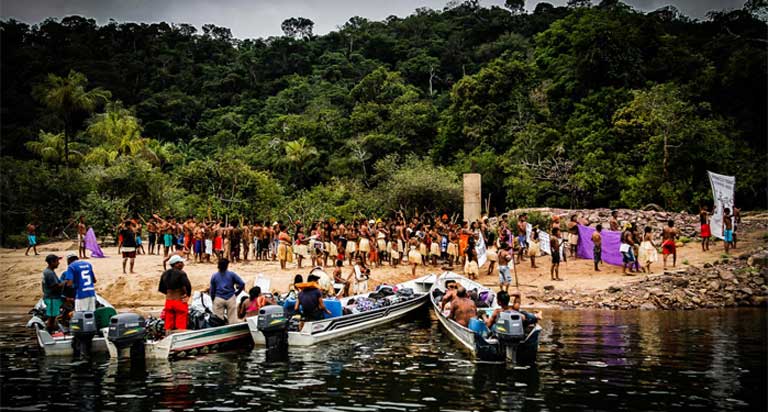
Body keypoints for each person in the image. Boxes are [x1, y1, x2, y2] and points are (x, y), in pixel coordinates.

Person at [158, 255, 192, 332]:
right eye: (181, 262)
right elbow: (188, 285)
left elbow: (161, 288)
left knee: (168, 324)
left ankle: (167, 338)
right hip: (179, 301)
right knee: (181, 324)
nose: (183, 264)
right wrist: (188, 296)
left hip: (169, 302)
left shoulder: (165, 273)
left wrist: (170, 294)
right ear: (176, 264)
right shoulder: (181, 273)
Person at [209, 259, 245, 325]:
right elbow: (242, 284)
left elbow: (212, 290)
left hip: (219, 298)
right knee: (232, 320)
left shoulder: (214, 276)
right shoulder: (231, 274)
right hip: (230, 297)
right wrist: (237, 293)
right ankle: (232, 333)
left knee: (217, 320)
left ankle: (220, 332)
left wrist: (213, 299)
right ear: (227, 266)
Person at [42, 254, 64, 332]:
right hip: (52, 298)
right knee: (51, 317)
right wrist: (64, 283)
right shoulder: (49, 273)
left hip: (51, 297)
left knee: (53, 316)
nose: (58, 263)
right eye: (57, 261)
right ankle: (49, 332)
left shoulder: (48, 271)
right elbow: (54, 287)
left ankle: (52, 329)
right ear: (52, 262)